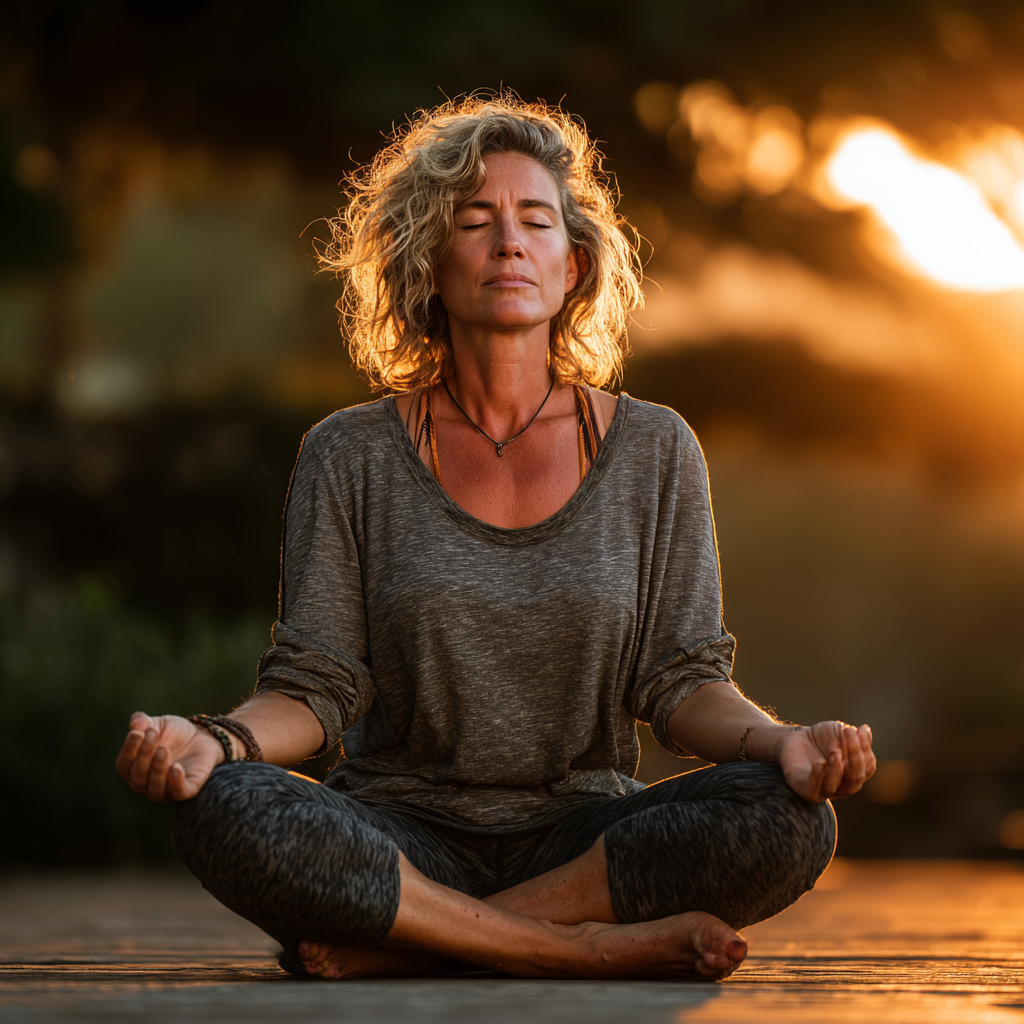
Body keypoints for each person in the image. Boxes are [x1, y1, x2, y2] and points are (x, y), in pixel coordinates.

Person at [115, 95, 876, 981]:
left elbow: (682, 681)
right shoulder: (349, 453)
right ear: (429, 263)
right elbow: (314, 686)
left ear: (574, 265)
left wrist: (781, 744)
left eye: (535, 220)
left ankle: (406, 946)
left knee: (791, 814)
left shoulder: (654, 448)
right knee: (226, 805)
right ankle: (573, 949)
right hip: (401, 835)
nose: (508, 241)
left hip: (582, 843)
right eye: (473, 222)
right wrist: (216, 744)